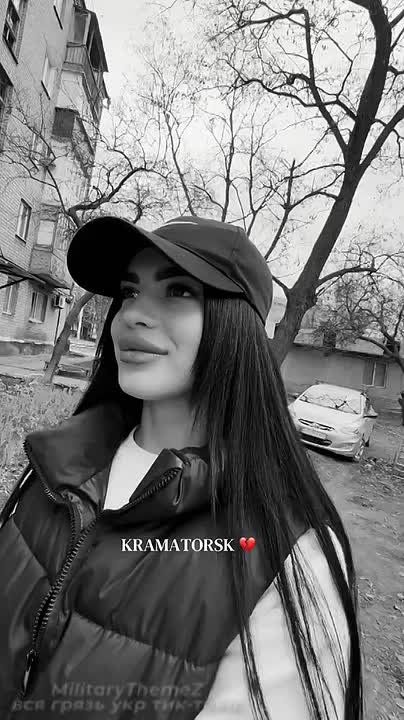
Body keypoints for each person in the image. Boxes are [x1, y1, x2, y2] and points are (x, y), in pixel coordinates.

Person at [0, 215, 363, 720]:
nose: (132, 315)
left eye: (178, 291)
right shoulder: (54, 467)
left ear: (235, 328)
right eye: (129, 291)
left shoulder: (290, 555)